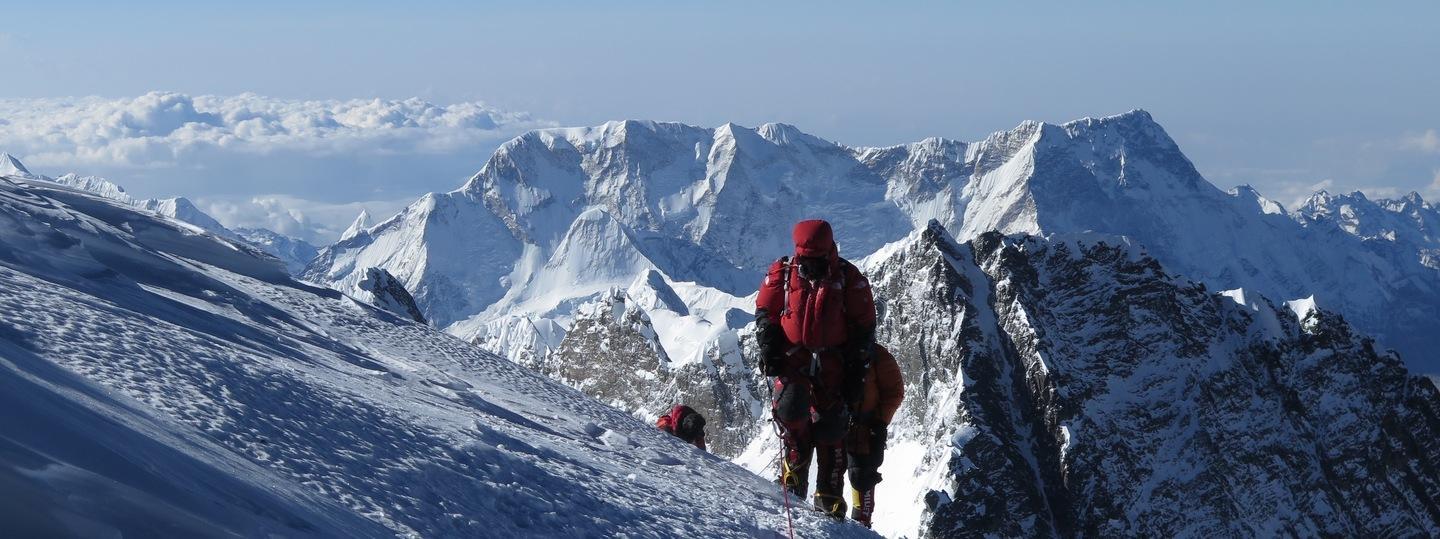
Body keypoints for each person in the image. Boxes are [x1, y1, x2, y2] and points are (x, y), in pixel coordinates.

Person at [756, 219, 876, 519]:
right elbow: (765, 312)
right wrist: (768, 343)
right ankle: (795, 469)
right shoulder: (783, 273)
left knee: (833, 425)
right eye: (805, 261)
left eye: (815, 261)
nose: (809, 266)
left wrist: (856, 370)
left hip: (834, 362)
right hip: (793, 358)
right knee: (790, 408)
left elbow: (864, 328)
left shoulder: (849, 279)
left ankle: (828, 491)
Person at [846, 343, 904, 528]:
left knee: (861, 476)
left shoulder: (876, 355)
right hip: (841, 424)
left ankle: (861, 525)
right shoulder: (833, 347)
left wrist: (878, 422)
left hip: (865, 429)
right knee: (838, 471)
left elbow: (894, 392)